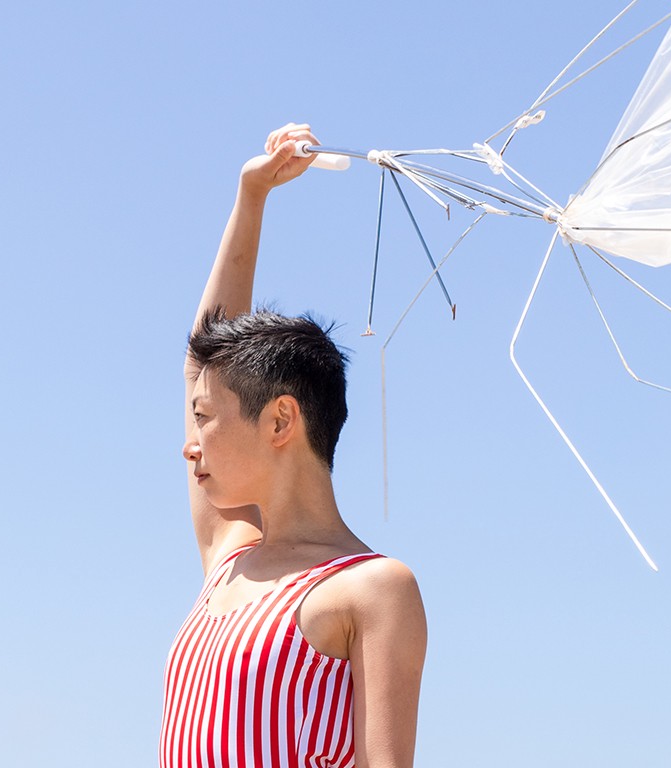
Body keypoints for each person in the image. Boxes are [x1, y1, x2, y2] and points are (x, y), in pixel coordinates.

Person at [160, 123, 427, 768]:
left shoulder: (371, 589)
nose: (188, 446)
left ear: (282, 420)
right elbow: (201, 364)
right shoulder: (229, 557)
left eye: (205, 420)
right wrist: (251, 200)